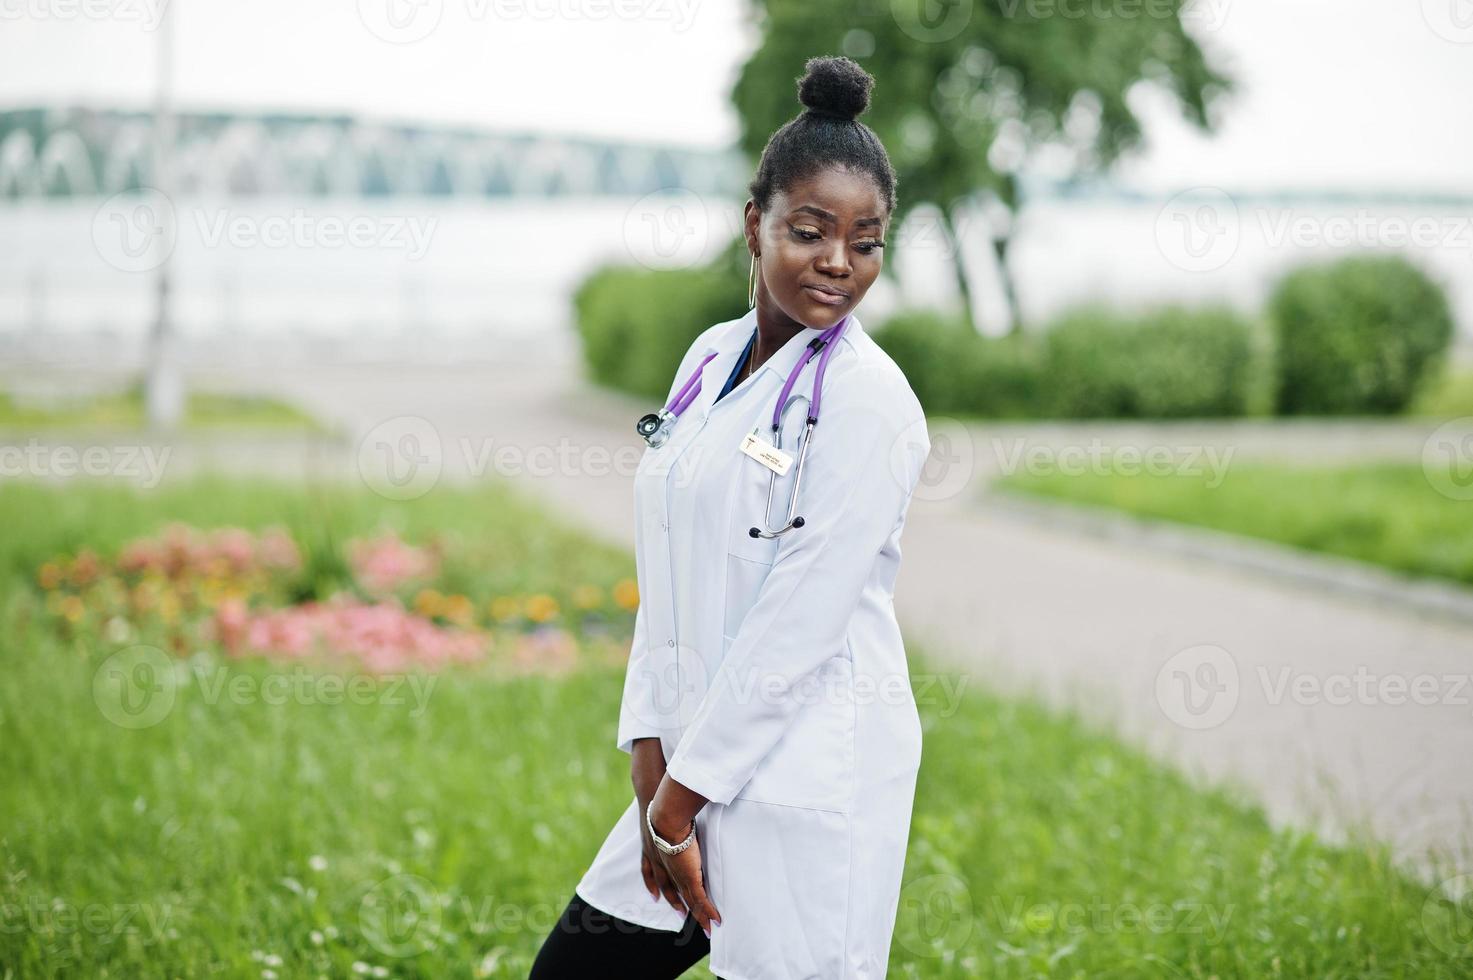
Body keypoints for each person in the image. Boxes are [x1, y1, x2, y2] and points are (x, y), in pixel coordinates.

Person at [531, 54, 930, 980]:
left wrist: (676, 805)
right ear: (755, 225)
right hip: (690, 766)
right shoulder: (712, 358)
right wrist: (648, 747)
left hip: (805, 773)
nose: (838, 262)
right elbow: (667, 562)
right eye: (809, 230)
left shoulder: (868, 401)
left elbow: (801, 620)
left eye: (865, 241)